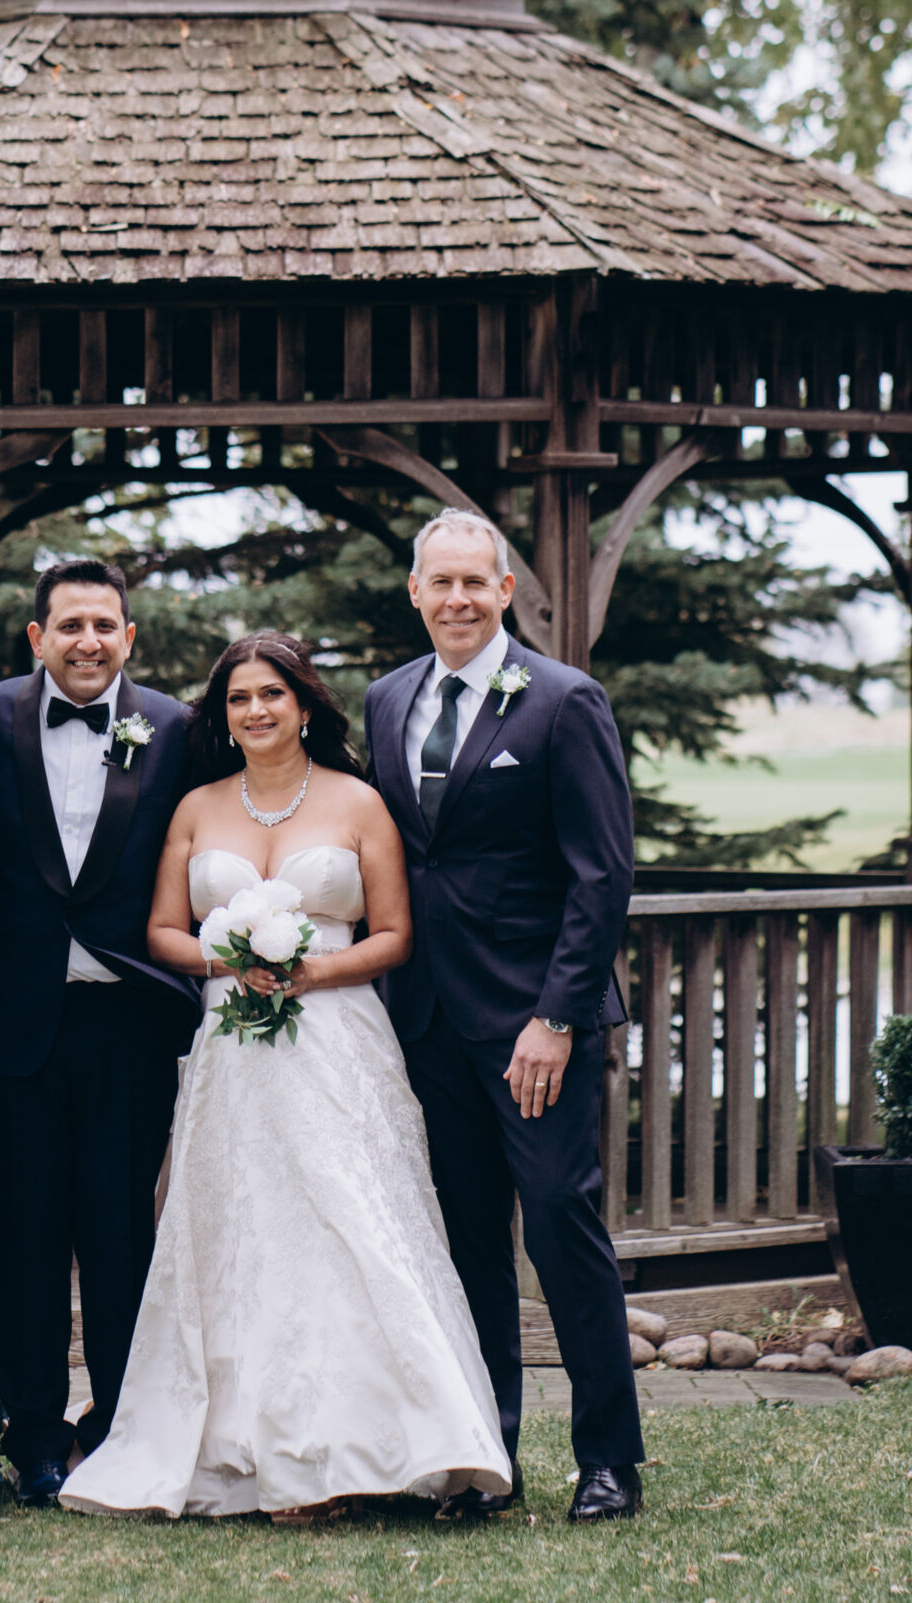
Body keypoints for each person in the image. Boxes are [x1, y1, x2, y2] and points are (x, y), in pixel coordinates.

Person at [61, 632, 511, 1522]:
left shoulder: (358, 802)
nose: (256, 710)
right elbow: (161, 932)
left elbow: (394, 936)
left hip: (338, 1042)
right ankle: (248, 1446)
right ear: (223, 717)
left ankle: (364, 1446)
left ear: (305, 705)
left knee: (352, 1224)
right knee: (243, 1231)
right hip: (232, 1050)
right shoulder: (196, 809)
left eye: (272, 693)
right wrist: (228, 957)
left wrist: (312, 971)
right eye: (239, 699)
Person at [366, 508, 645, 1525]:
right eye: (440, 582)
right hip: (429, 1022)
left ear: (504, 590)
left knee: (562, 1228)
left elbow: (601, 874)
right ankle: (488, 1457)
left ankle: (609, 1459)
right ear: (415, 591)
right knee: (468, 1241)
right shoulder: (387, 698)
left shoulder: (564, 701)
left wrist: (558, 1017)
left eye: (474, 582)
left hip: (536, 1026)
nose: (458, 599)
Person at [0, 559, 195, 1506]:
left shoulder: (176, 728)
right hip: (13, 1024)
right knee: (25, 1234)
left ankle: (118, 1427)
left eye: (105, 626)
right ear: (38, 638)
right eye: (70, 626)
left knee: (119, 1234)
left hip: (127, 1023)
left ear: (128, 637)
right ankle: (33, 1437)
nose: (88, 642)